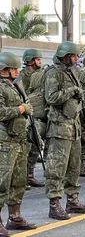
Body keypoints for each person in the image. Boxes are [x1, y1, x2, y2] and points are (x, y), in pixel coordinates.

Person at [44, 41, 85, 220]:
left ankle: (72, 199)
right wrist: (71, 90)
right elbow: (51, 97)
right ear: (64, 56)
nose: (76, 58)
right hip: (59, 126)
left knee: (74, 166)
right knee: (57, 167)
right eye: (73, 56)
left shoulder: (72, 72)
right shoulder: (53, 72)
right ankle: (54, 203)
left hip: (74, 126)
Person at [0, 51, 37, 235]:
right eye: (12, 69)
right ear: (3, 70)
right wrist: (21, 108)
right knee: (2, 183)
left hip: (19, 140)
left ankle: (15, 217)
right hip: (5, 142)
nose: (16, 72)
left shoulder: (15, 86)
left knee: (18, 181)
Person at [20, 49, 45, 188]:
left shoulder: (39, 74)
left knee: (35, 145)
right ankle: (23, 177)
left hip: (36, 112)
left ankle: (30, 175)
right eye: (37, 59)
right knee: (26, 146)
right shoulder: (23, 75)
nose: (40, 62)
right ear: (30, 60)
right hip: (26, 114)